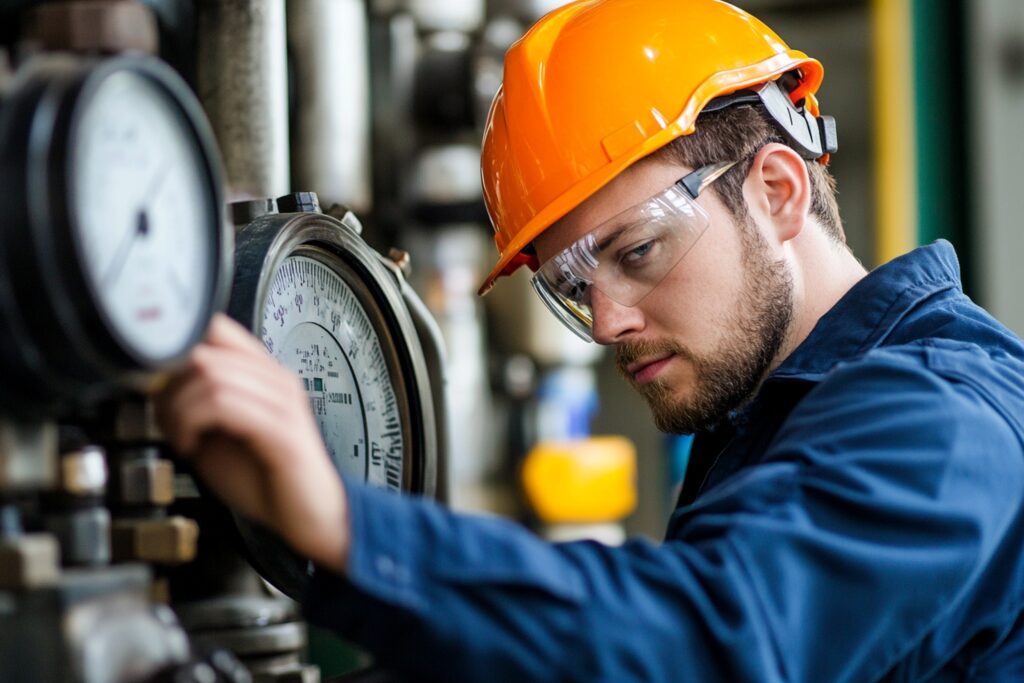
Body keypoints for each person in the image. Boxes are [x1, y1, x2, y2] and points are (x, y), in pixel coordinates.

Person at [156, 0, 1024, 680]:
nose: (607, 322)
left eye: (636, 252)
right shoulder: (771, 424)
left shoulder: (943, 420)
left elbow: (711, 643)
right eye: (572, 287)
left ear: (778, 190)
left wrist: (342, 522)